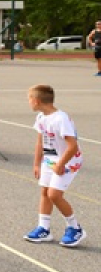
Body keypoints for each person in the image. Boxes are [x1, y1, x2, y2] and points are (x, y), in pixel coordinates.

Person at [22, 85, 85, 247]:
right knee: (45, 192)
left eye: (29, 99)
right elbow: (40, 142)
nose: (28, 102)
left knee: (54, 195)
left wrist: (61, 164)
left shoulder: (60, 119)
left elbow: (73, 147)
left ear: (36, 101)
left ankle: (75, 228)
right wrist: (37, 163)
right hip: (50, 159)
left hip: (69, 160)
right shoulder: (41, 117)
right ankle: (44, 228)